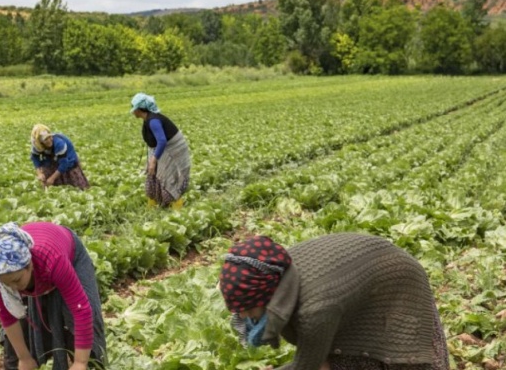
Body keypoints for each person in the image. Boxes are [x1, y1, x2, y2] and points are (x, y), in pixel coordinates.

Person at [218, 233, 449, 370]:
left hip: (399, 281)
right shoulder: (273, 270)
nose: (245, 316)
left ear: (266, 296)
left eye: (248, 309)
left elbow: (309, 366)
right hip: (359, 281)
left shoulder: (315, 310)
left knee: (403, 358)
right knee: (343, 358)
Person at [0, 222, 107, 370]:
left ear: (29, 265)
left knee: (80, 324)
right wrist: (24, 357)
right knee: (18, 342)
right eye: (7, 284)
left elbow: (81, 310)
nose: (13, 288)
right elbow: (7, 315)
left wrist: (81, 363)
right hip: (39, 267)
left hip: (67, 253)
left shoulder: (54, 261)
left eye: (17, 280)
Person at [130, 92, 191, 209]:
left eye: (133, 108)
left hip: (172, 150)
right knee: (152, 174)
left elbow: (162, 141)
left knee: (168, 178)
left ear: (139, 109)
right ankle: (153, 205)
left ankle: (178, 209)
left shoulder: (153, 121)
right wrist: (152, 160)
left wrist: (153, 160)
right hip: (161, 148)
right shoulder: (147, 119)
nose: (132, 111)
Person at [30, 124, 89, 189]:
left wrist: (52, 178)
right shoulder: (37, 146)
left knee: (73, 186)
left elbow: (64, 164)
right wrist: (39, 173)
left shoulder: (59, 143)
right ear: (40, 142)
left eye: (49, 137)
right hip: (50, 161)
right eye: (45, 139)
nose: (49, 140)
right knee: (49, 182)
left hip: (68, 161)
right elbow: (35, 157)